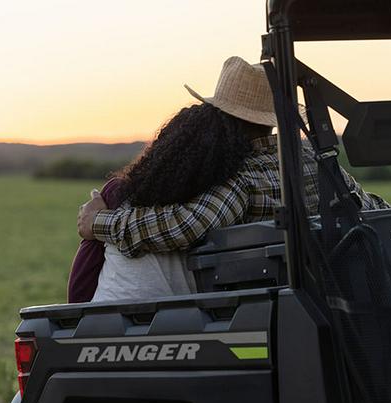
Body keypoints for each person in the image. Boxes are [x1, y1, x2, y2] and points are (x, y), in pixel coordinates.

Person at [77, 56, 389, 263]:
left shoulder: (244, 179)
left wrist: (98, 222)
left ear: (223, 117)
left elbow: (182, 226)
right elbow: (368, 207)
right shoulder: (318, 160)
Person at [69, 96, 274, 302]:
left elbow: (184, 226)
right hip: (184, 317)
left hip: (109, 319)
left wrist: (96, 221)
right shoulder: (294, 161)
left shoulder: (237, 184)